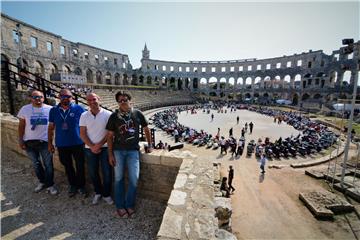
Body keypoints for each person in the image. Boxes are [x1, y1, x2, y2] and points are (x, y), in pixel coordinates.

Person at [106, 91, 153, 218]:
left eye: (125, 99)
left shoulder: (137, 113)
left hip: (133, 151)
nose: (123, 102)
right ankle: (120, 206)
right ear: (117, 102)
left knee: (134, 179)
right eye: (120, 100)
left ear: (130, 100)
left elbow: (146, 129)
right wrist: (110, 154)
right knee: (118, 179)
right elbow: (109, 136)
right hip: (118, 151)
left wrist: (150, 145)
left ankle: (129, 204)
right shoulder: (114, 116)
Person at [17, 90, 58, 195]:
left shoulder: (50, 109)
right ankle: (42, 182)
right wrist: (20, 139)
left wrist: (52, 142)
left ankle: (50, 184)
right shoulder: (25, 109)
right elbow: (21, 126)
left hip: (45, 142)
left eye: (40, 97)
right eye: (35, 97)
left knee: (48, 164)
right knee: (36, 164)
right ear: (31, 98)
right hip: (29, 142)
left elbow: (53, 126)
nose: (38, 99)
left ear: (43, 98)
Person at [48, 89, 86, 198]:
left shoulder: (79, 108)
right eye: (63, 96)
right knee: (67, 166)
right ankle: (73, 185)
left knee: (80, 165)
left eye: (68, 96)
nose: (65, 98)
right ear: (59, 97)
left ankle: (81, 186)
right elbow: (51, 128)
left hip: (78, 143)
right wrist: (50, 143)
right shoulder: (54, 110)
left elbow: (87, 125)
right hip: (62, 144)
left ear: (72, 97)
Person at [79, 93, 113, 205]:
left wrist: (98, 145)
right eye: (89, 100)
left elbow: (110, 133)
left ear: (99, 99)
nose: (92, 102)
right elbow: (82, 133)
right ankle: (98, 192)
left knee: (107, 173)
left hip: (105, 148)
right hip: (90, 149)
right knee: (93, 172)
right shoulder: (84, 115)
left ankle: (106, 194)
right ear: (87, 102)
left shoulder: (108, 114)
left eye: (94, 99)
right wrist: (92, 146)